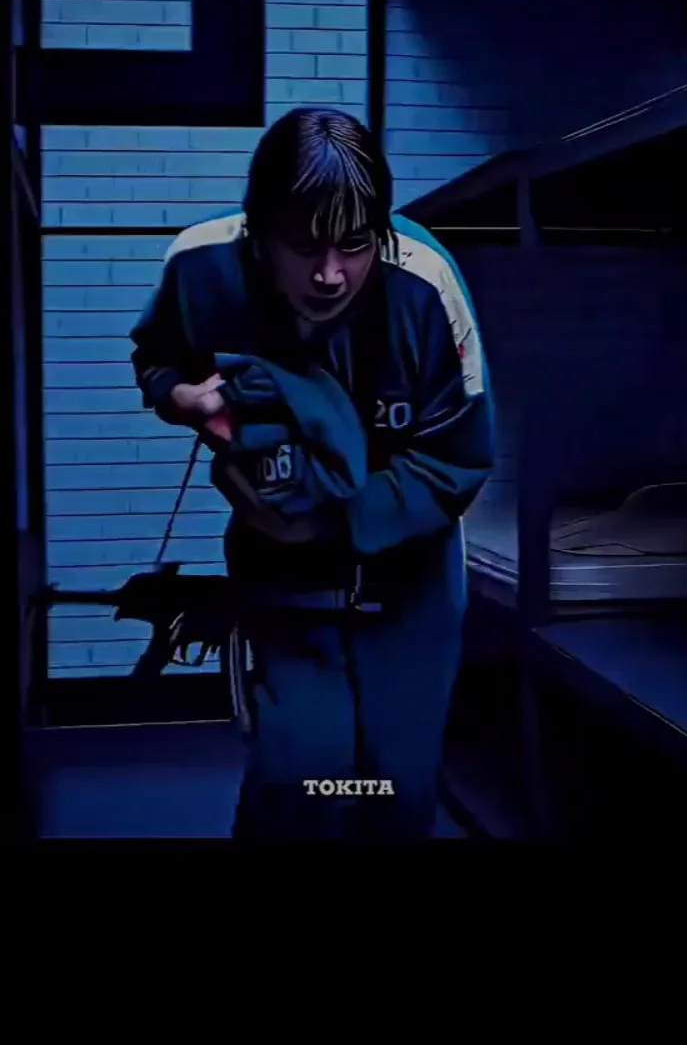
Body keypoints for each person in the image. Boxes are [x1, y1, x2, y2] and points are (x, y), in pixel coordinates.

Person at [129, 107, 493, 841]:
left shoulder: (425, 286)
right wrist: (178, 398)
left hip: (410, 579)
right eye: (303, 247)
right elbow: (158, 355)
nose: (330, 275)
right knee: (301, 774)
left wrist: (330, 522)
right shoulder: (200, 266)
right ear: (260, 232)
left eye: (354, 246)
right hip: (279, 572)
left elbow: (458, 457)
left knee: (392, 787)